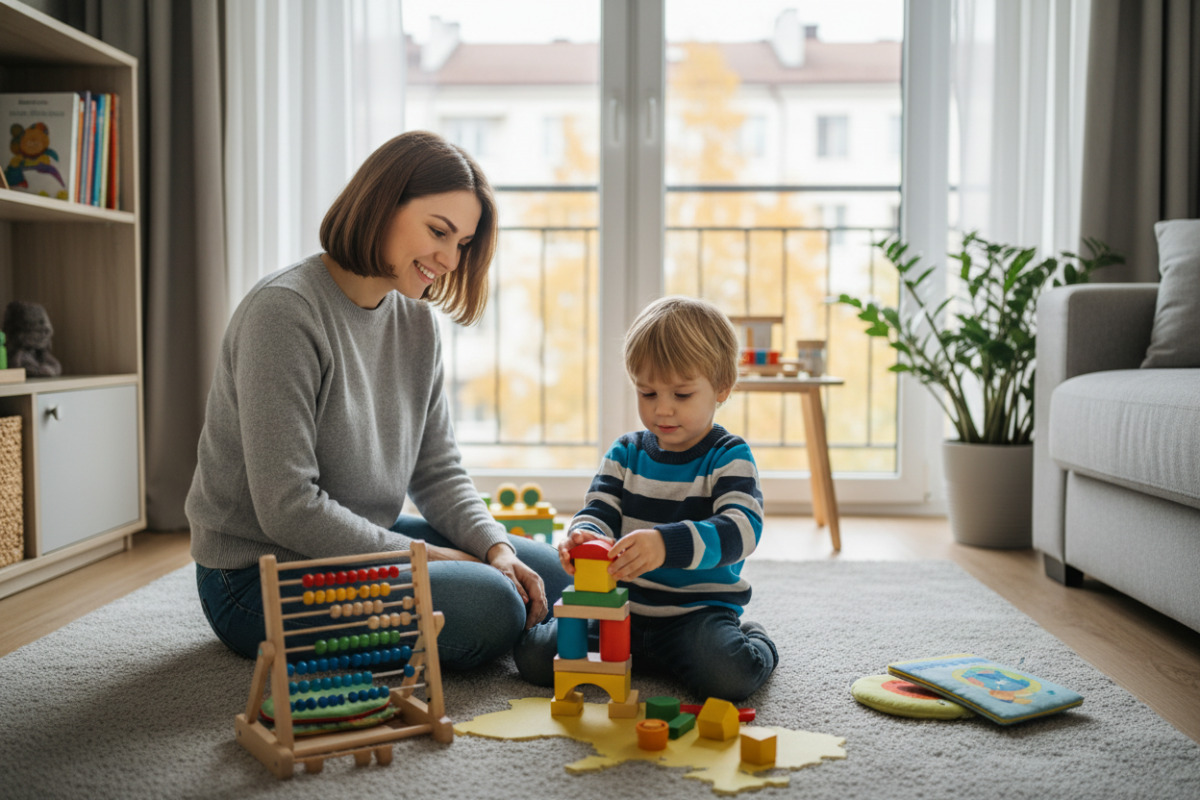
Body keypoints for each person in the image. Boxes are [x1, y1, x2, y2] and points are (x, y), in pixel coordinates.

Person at [186, 130, 571, 668]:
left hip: (361, 540)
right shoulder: (285, 313)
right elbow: (287, 509)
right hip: (256, 575)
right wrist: (438, 558)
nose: (450, 259)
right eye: (438, 231)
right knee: (491, 606)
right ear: (381, 204)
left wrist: (493, 548)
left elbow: (437, 471)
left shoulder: (415, 321)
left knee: (552, 574)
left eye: (461, 243)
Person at [512, 295, 777, 702]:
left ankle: (756, 640)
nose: (662, 411)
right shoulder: (625, 453)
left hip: (695, 617)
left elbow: (742, 530)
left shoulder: (729, 456)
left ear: (722, 388)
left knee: (729, 677)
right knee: (533, 659)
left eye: (682, 395)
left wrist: (665, 545)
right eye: (648, 393)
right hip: (618, 609)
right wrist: (582, 537)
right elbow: (597, 511)